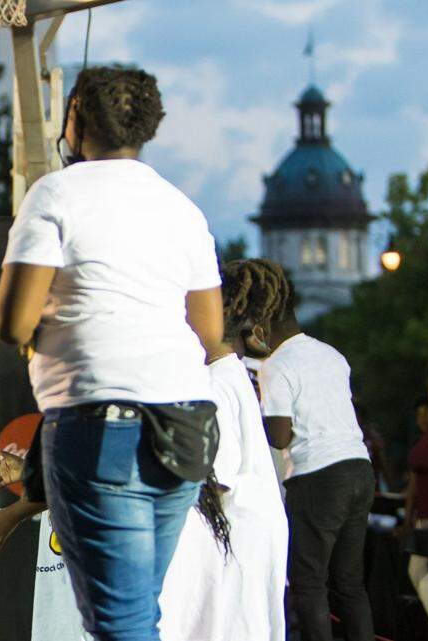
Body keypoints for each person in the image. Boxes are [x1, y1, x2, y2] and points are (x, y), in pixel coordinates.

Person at [0, 65, 223, 641]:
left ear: (75, 116)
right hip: (186, 425)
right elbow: (210, 332)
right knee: (139, 611)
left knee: (120, 624)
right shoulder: (182, 207)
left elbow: (10, 321)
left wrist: (43, 332)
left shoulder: (57, 193)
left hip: (100, 425)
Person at [159, 259, 289, 641]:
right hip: (253, 530)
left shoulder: (213, 383)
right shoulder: (232, 372)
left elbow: (219, 474)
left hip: (238, 537)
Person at [259, 274, 374, 641]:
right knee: (350, 583)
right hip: (359, 467)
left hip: (318, 475)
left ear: (262, 325)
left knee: (309, 583)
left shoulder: (275, 365)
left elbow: (279, 436)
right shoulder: (331, 354)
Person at [405, 397, 428, 624]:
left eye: (427, 413)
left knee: (426, 581)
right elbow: (413, 485)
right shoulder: (422, 441)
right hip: (423, 518)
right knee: (418, 574)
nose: (422, 419)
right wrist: (407, 519)